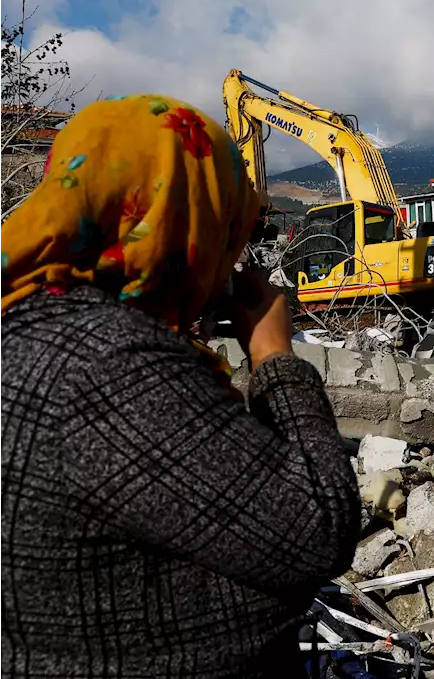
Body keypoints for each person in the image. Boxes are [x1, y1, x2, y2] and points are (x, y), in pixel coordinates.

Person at [0, 95, 361, 678]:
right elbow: (314, 531)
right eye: (228, 223)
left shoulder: (27, 319)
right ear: (184, 216)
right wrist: (273, 356)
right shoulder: (112, 362)